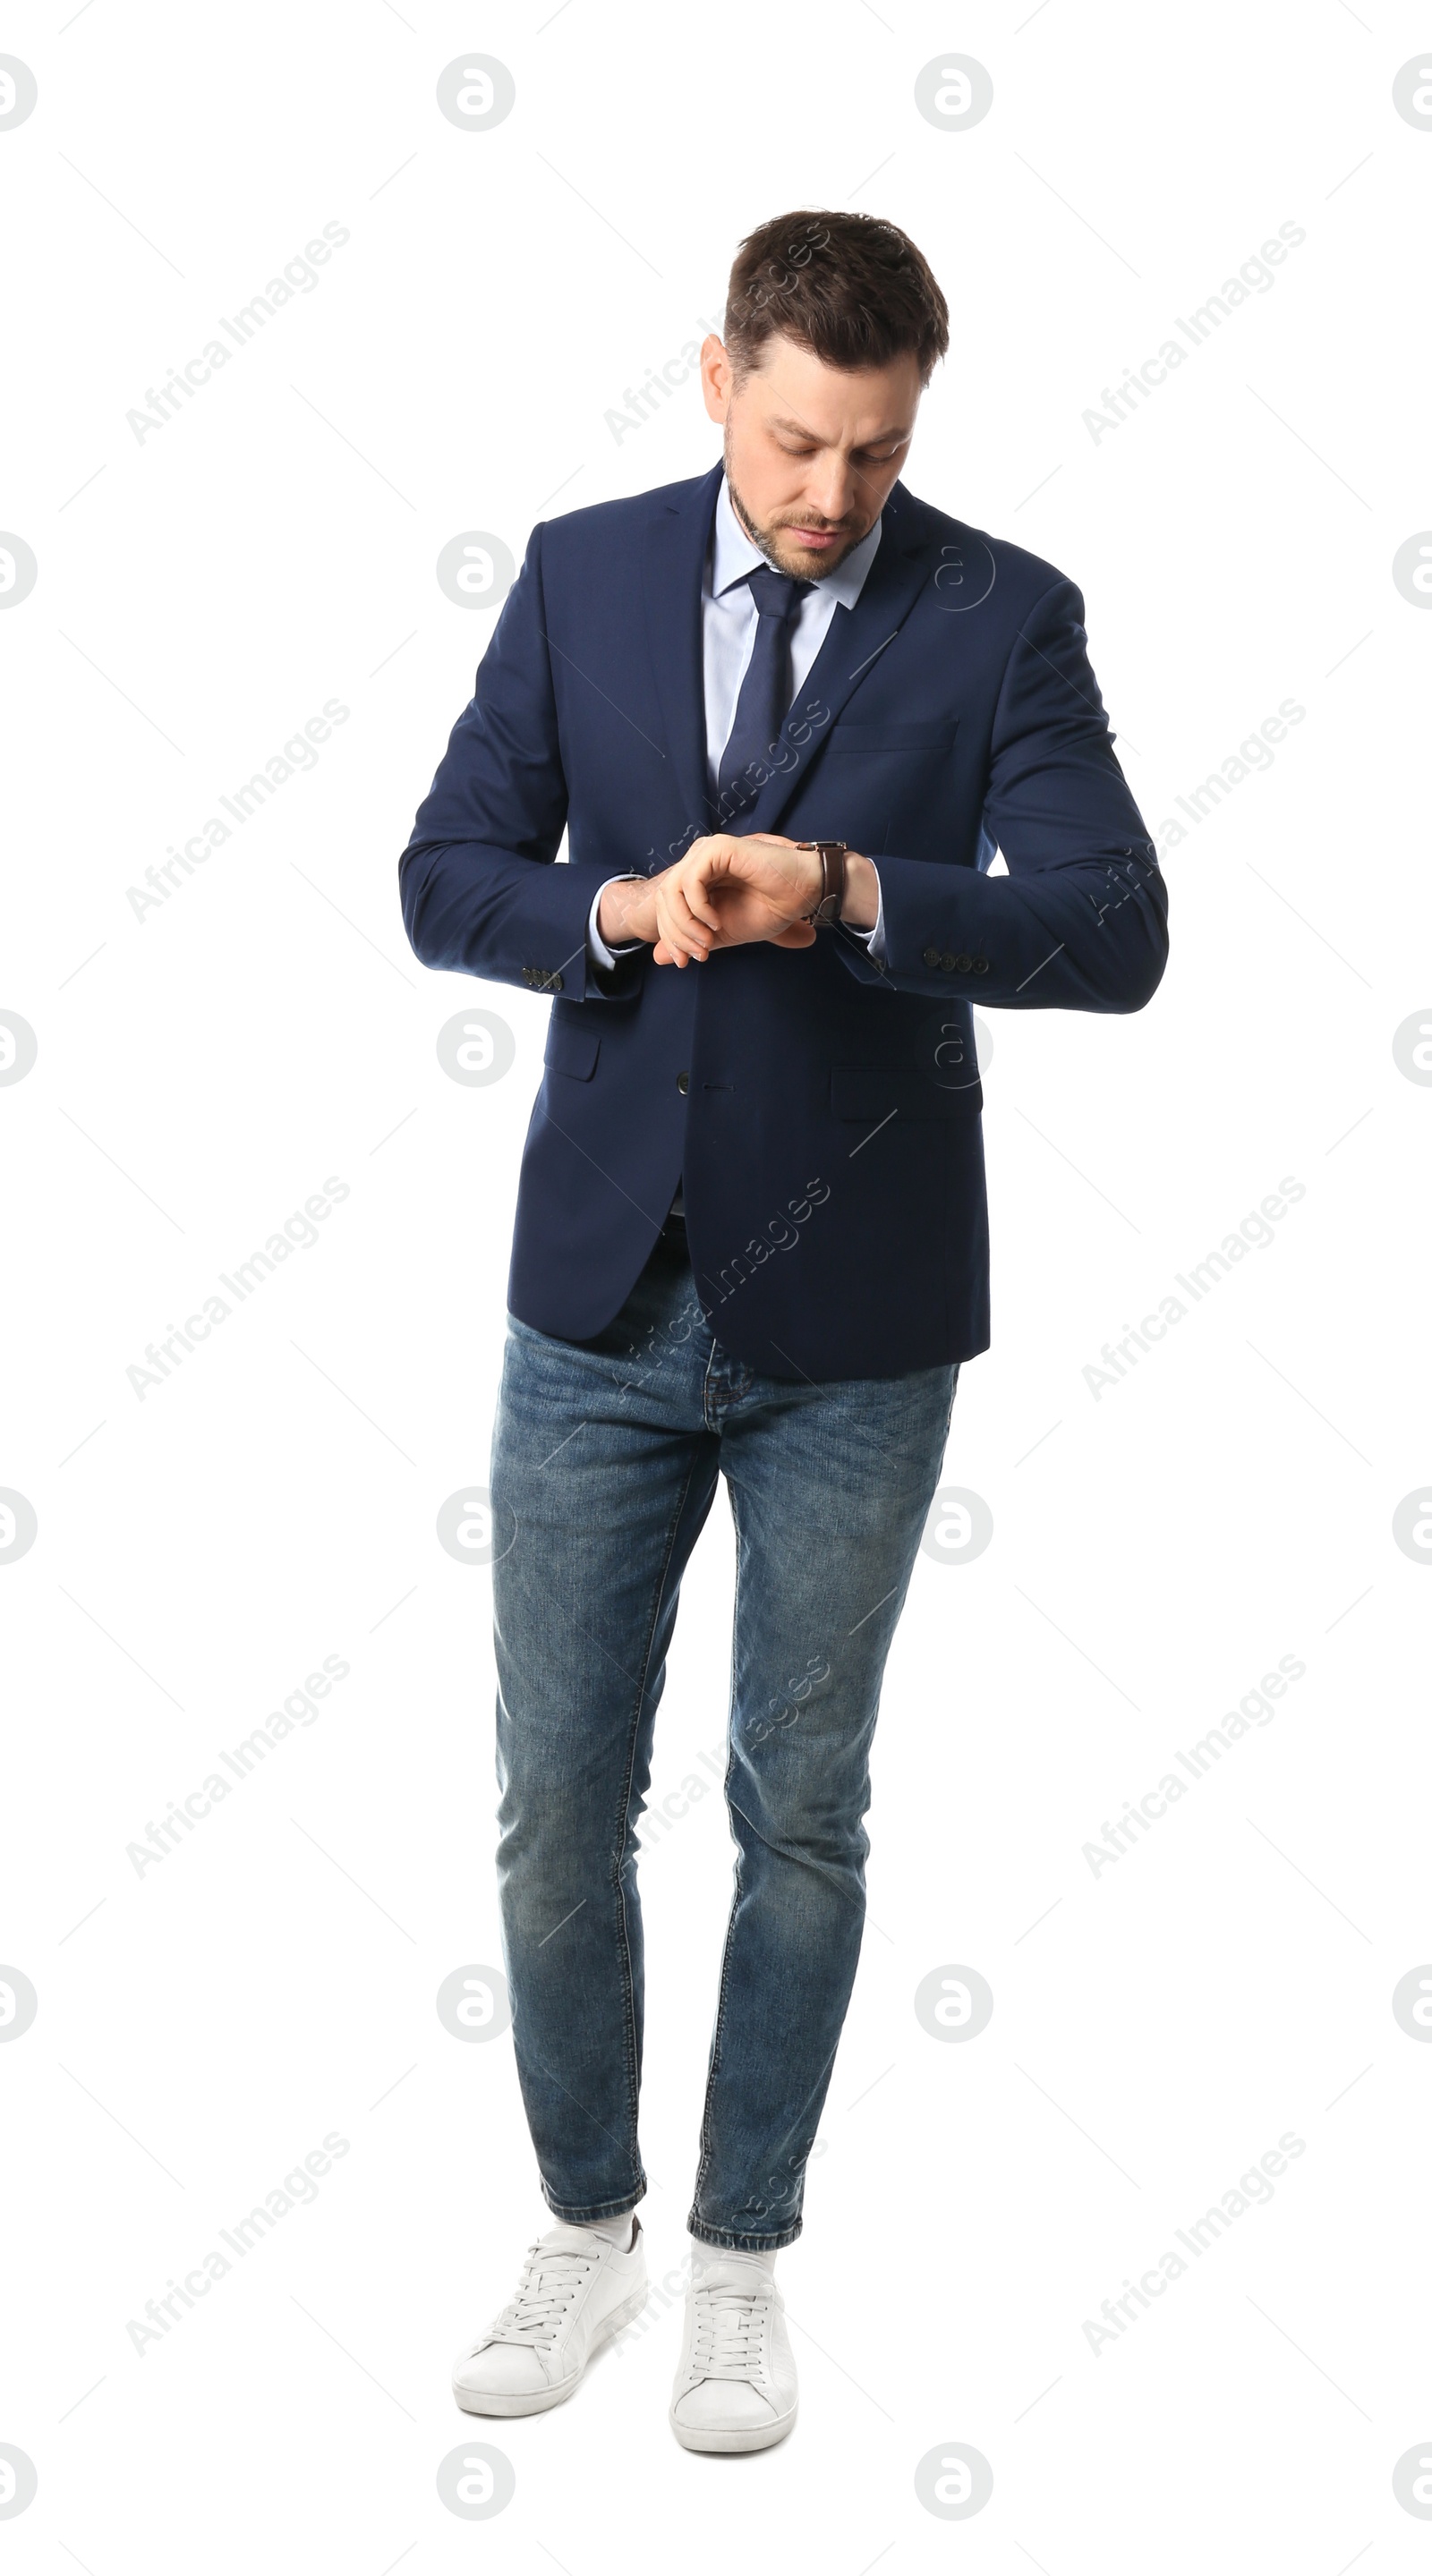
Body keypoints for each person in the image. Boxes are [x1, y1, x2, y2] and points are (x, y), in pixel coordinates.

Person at [398, 208, 1168, 2453]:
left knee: (799, 1813)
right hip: (597, 1303)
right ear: (715, 375)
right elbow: (446, 867)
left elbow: (1114, 930)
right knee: (556, 1807)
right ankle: (585, 2226)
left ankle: (740, 2257)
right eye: (801, 436)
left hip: (855, 1325)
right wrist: (620, 911)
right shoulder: (578, 571)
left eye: (880, 446)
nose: (832, 492)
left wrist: (843, 894)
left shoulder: (999, 611)